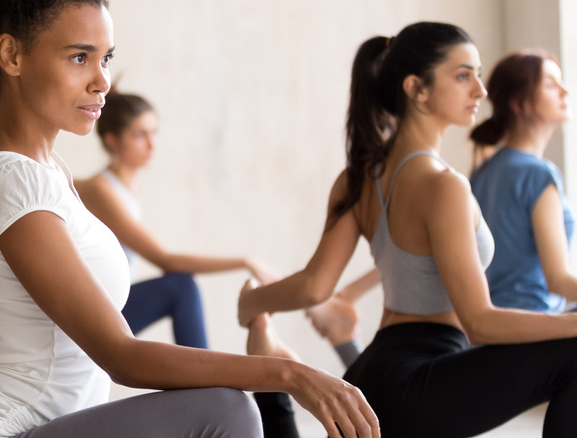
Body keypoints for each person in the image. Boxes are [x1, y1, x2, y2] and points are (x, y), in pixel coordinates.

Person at [0, 2, 380, 437]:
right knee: (229, 410)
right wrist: (289, 376)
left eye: (105, 58)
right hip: (4, 428)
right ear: (12, 56)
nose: (101, 81)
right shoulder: (11, 179)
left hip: (48, 422)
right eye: (79, 58)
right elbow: (122, 357)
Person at [238, 21, 577, 437]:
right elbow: (481, 323)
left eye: (478, 74)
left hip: (373, 375)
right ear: (417, 89)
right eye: (462, 75)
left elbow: (313, 286)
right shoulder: (445, 184)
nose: (480, 90)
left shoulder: (360, 177)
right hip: (419, 382)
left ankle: (273, 387)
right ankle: (273, 381)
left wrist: (252, 303)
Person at [76, 88, 277, 349]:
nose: (152, 144)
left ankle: (207, 377)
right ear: (113, 140)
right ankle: (206, 377)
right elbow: (166, 261)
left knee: (182, 286)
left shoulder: (128, 188)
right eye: (140, 135)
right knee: (181, 286)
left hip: (112, 304)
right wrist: (246, 261)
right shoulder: (101, 189)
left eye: (154, 132)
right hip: (91, 315)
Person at [470, 50, 575, 312]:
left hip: (493, 331)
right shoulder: (538, 175)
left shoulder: (480, 174)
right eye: (551, 84)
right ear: (519, 103)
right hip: (534, 329)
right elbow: (558, 280)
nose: (565, 91)